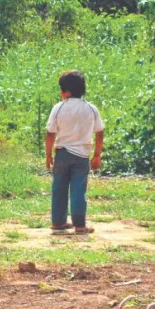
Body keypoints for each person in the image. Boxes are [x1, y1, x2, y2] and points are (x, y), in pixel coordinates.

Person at [45, 70, 104, 235]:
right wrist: (97, 155)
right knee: (78, 189)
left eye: (61, 90)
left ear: (67, 92)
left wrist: (48, 154)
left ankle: (58, 222)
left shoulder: (58, 108)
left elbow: (50, 133)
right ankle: (79, 225)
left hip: (62, 153)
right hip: (82, 156)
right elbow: (99, 132)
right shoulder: (91, 109)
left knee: (59, 188)